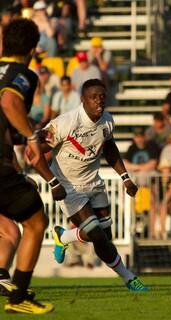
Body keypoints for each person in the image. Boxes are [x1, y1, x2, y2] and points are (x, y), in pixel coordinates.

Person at [39, 79, 148, 292]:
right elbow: (35, 152)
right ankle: (129, 278)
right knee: (96, 234)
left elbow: (110, 149)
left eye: (102, 97)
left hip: (94, 183)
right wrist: (52, 182)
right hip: (69, 186)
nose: (99, 101)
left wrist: (125, 178)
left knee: (105, 238)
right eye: (93, 97)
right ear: (83, 100)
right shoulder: (66, 122)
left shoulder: (107, 121)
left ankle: (64, 236)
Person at [0, 18, 66, 314]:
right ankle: (19, 298)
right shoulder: (21, 74)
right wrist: (30, 137)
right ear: (32, 47)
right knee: (36, 222)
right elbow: (8, 104)